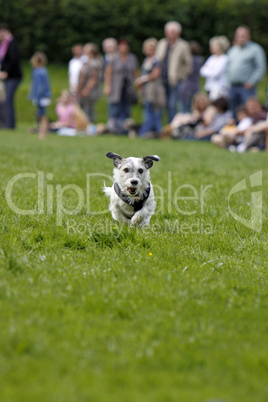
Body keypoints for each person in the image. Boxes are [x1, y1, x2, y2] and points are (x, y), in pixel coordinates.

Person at [226, 26, 267, 117]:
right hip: (232, 87)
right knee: (234, 111)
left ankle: (248, 129)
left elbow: (260, 67)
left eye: (244, 35)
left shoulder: (255, 49)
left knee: (248, 111)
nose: (241, 37)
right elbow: (227, 68)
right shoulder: (232, 50)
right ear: (236, 36)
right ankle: (235, 129)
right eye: (239, 35)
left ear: (248, 36)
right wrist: (228, 83)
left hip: (247, 87)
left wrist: (252, 81)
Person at [155, 21, 192, 122]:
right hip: (161, 80)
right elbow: (157, 60)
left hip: (174, 81)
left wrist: (181, 76)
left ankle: (172, 127)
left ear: (178, 33)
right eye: (169, 32)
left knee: (172, 105)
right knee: (161, 105)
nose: (171, 34)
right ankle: (161, 129)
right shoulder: (161, 43)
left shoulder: (183, 45)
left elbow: (188, 65)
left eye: (173, 32)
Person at [104, 38, 139, 133]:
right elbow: (108, 72)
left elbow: (135, 72)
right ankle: (113, 128)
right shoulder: (114, 58)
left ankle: (126, 128)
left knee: (126, 108)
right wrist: (108, 86)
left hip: (128, 87)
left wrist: (137, 83)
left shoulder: (132, 58)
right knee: (115, 108)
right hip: (116, 87)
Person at [135, 38, 165, 138]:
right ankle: (149, 132)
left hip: (155, 90)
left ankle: (158, 132)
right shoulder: (146, 60)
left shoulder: (157, 60)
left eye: (152, 47)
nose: (150, 49)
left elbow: (155, 74)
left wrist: (142, 79)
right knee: (148, 111)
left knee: (156, 111)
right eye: (148, 47)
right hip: (147, 90)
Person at [0, 24, 22, 129]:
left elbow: (13, 59)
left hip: (13, 77)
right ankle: (8, 123)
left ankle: (9, 124)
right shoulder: (5, 44)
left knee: (8, 100)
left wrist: (6, 71)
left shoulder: (11, 44)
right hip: (9, 77)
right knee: (7, 100)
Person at [77, 43, 102, 123]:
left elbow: (93, 78)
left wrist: (87, 89)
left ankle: (89, 126)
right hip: (84, 90)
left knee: (88, 109)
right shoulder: (87, 62)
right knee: (84, 108)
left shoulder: (94, 63)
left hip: (90, 91)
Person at [28, 51, 51, 139]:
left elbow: (39, 86)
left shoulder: (38, 72)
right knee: (40, 113)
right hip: (43, 96)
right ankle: (41, 130)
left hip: (41, 96)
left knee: (42, 114)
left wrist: (36, 97)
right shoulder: (43, 70)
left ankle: (43, 132)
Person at [200, 35, 230, 100]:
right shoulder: (211, 58)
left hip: (219, 88)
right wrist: (210, 71)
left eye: (212, 46)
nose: (211, 48)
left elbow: (215, 74)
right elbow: (202, 71)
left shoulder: (224, 59)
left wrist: (208, 70)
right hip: (209, 87)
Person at [179, 41, 203, 113]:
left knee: (185, 108)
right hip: (196, 85)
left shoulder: (187, 60)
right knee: (194, 108)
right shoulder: (200, 60)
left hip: (186, 86)